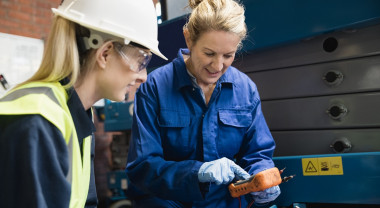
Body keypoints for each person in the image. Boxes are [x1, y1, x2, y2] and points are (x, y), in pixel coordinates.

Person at [0, 0, 166, 207]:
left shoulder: (77, 114)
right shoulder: (38, 121)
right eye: (142, 61)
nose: (143, 76)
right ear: (105, 54)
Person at [125, 0, 281, 207]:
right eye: (209, 54)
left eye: (228, 55)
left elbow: (257, 153)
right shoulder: (154, 87)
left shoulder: (245, 89)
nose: (217, 66)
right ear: (189, 39)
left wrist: (262, 176)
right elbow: (143, 167)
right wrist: (198, 172)